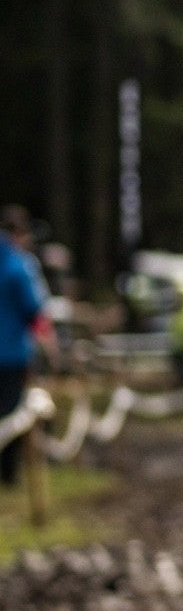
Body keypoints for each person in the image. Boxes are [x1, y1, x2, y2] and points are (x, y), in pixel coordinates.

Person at [0, 208, 48, 486]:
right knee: (11, 415)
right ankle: (9, 475)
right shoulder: (18, 266)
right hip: (11, 353)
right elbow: (33, 309)